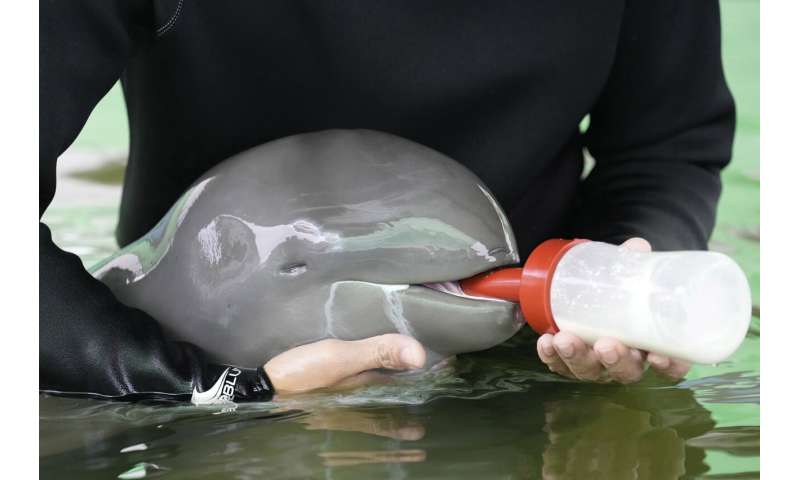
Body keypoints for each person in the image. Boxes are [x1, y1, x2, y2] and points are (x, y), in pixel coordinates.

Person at [40, 1, 734, 403]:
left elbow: (665, 143)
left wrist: (620, 282)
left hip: (531, 353)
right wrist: (222, 391)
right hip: (175, 353)